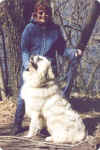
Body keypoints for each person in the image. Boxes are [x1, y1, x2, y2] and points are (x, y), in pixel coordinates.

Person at [12, 0, 82, 135]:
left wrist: (73, 52)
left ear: (50, 15)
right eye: (41, 13)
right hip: (32, 68)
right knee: (23, 97)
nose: (44, 15)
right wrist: (27, 65)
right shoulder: (29, 29)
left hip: (48, 72)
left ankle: (44, 126)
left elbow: (62, 50)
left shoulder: (55, 30)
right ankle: (17, 124)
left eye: (46, 13)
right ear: (35, 14)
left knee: (48, 100)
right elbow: (24, 50)